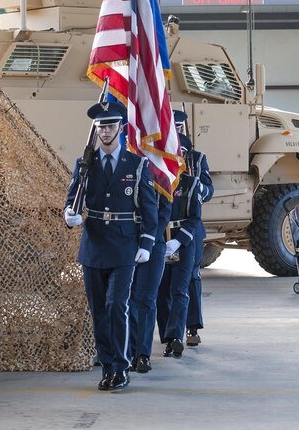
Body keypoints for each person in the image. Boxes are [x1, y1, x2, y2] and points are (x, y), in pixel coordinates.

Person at [64, 100, 158, 392]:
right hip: (93, 245)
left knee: (117, 305)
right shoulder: (85, 164)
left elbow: (149, 208)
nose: (105, 131)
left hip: (124, 245)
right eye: (101, 126)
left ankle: (121, 366)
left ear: (121, 128)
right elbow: (72, 199)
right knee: (99, 312)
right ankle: (107, 367)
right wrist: (69, 215)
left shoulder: (136, 164)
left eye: (110, 125)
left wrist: (147, 241)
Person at [157, 111, 213, 359]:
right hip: (167, 227)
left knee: (191, 277)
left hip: (191, 227)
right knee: (164, 284)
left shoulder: (197, 158)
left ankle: (191, 327)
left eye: (179, 127)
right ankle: (171, 332)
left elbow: (209, 190)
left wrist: (195, 184)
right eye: (172, 127)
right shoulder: (162, 159)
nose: (176, 131)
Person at [128, 191, 171, 374]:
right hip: (126, 241)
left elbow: (164, 210)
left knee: (146, 299)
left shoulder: (161, 170)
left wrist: (149, 240)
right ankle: (128, 352)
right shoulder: (126, 165)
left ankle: (143, 354)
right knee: (127, 300)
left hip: (154, 243)